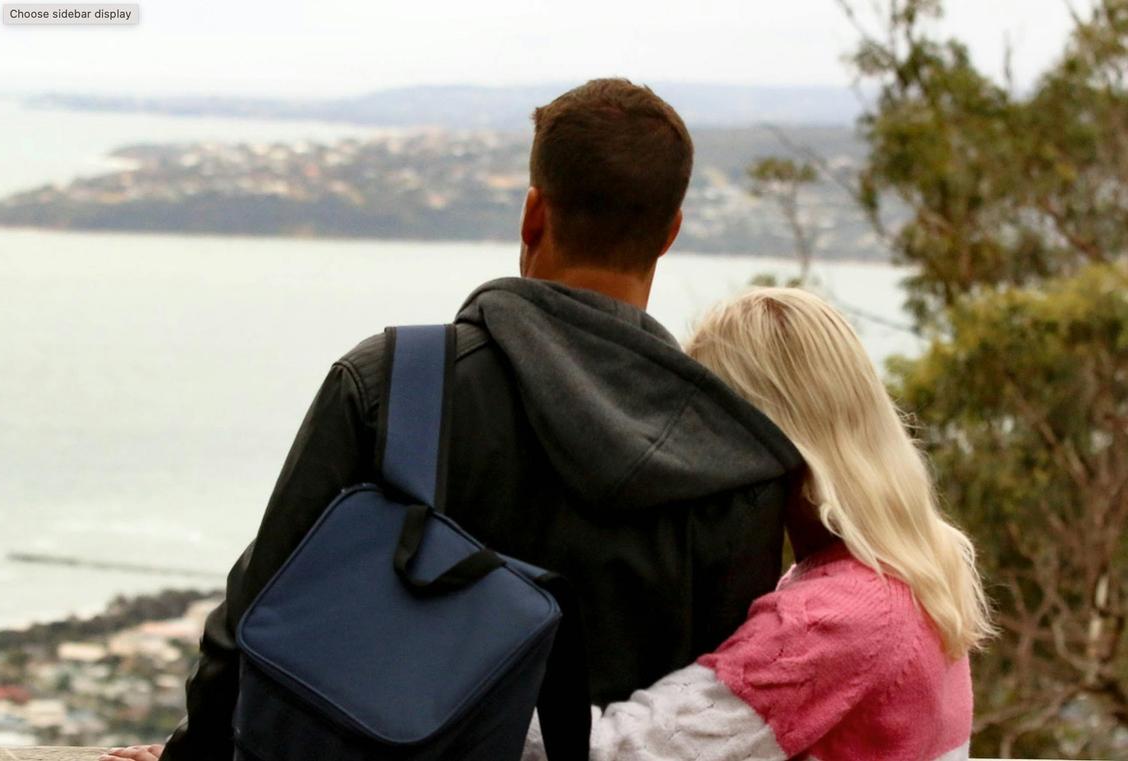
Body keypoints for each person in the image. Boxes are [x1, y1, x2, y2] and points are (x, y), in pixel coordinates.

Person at [101, 79, 804, 761]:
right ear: (669, 232)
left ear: (534, 215)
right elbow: (723, 708)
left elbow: (259, 613)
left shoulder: (395, 382)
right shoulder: (737, 456)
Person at [520, 288, 993, 761]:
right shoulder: (912, 568)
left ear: (768, 435)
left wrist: (472, 682)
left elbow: (616, 753)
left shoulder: (837, 619)